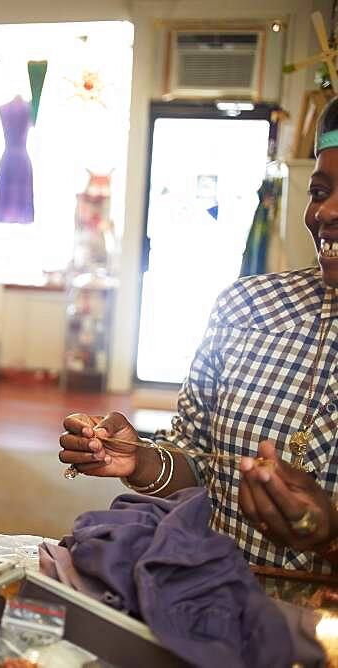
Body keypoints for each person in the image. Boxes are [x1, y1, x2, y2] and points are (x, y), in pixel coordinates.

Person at [58, 98, 338, 573]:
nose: (326, 211)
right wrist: (140, 460)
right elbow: (196, 458)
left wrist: (330, 540)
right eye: (319, 190)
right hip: (213, 607)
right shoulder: (248, 308)